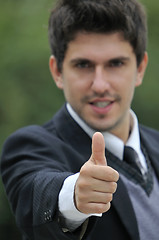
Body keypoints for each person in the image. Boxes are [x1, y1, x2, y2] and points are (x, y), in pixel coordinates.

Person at [1, 0, 159, 239]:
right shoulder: (28, 146)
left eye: (116, 64)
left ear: (140, 68)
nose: (100, 85)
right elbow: (34, 192)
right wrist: (73, 195)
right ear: (57, 71)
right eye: (83, 65)